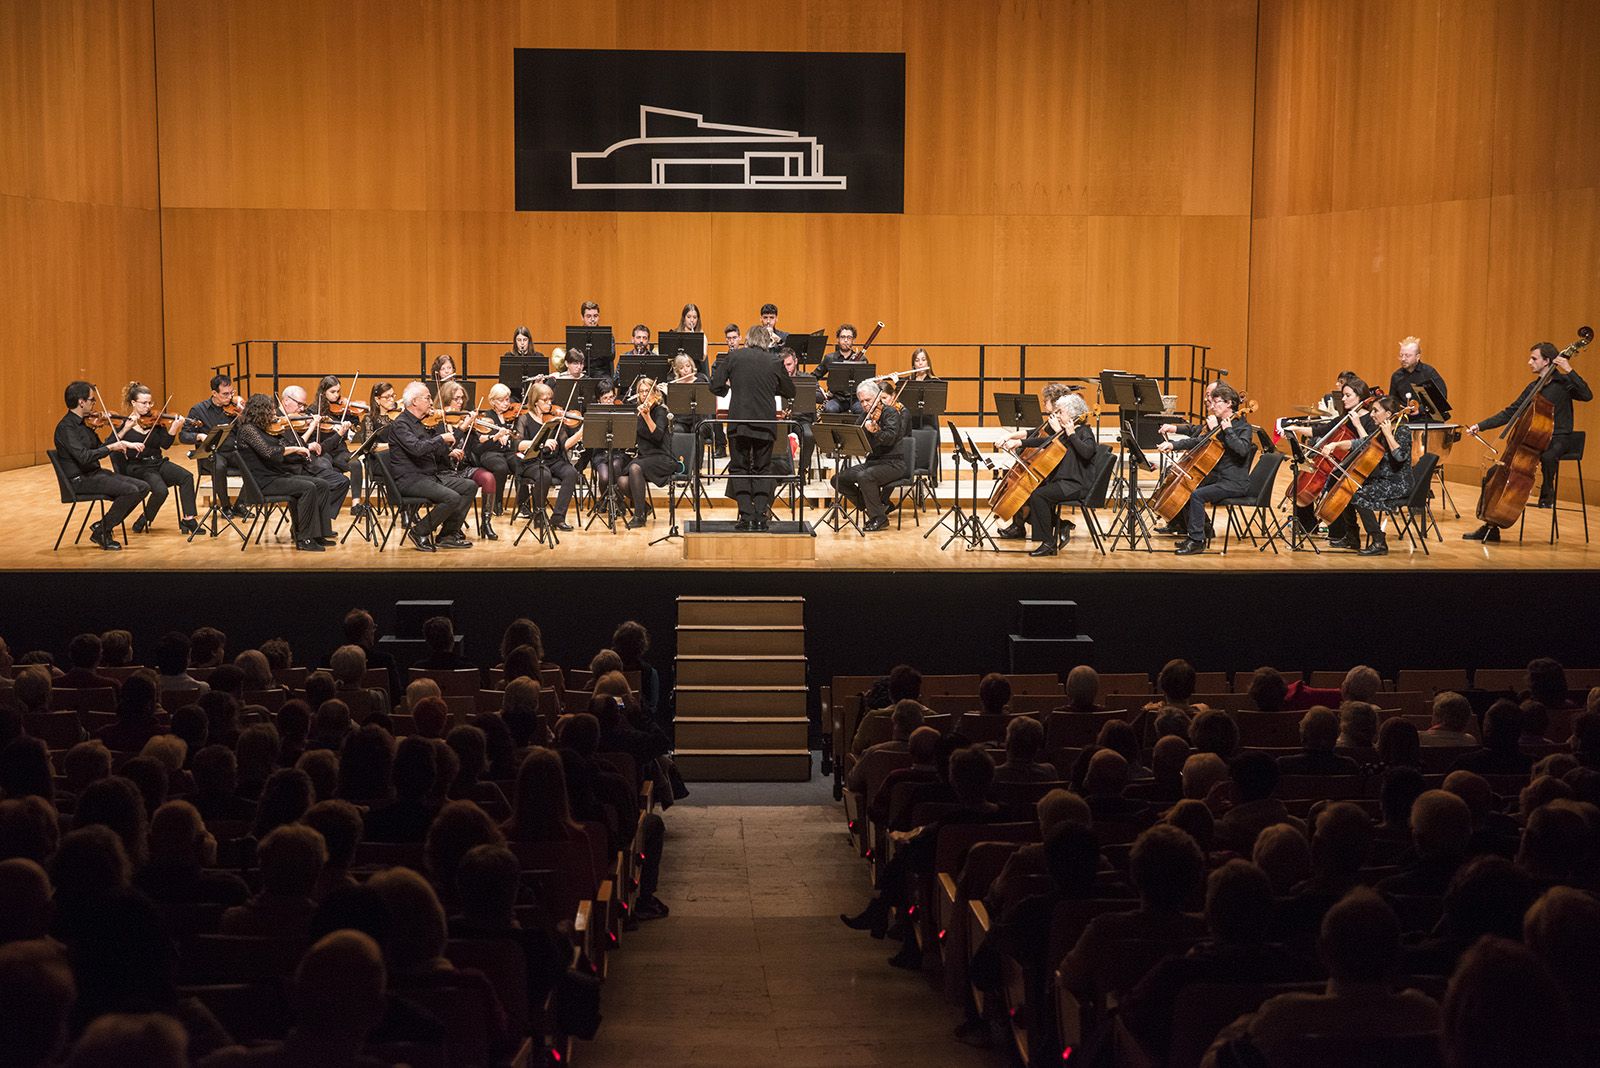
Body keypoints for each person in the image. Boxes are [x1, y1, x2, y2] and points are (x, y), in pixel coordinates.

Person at [1204, 889, 1438, 1067]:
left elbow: (1213, 1064)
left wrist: (1240, 1027)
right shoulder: (1428, 1016)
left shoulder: (1285, 1018)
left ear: (1323, 953)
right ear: (1398, 956)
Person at [1464, 339, 1593, 539]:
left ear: (1547, 361)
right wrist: (1480, 425)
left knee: (1549, 456)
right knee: (1493, 473)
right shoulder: (1533, 387)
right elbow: (1510, 412)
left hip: (1560, 437)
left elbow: (1587, 395)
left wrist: (1569, 368)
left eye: (1534, 358)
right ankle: (1491, 526)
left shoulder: (1564, 384)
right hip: (1535, 441)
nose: (1529, 362)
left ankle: (1547, 492)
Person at [711, 323, 794, 530]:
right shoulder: (775, 361)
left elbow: (715, 385)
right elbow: (790, 391)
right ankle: (760, 516)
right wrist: (771, 387)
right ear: (766, 341)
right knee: (762, 469)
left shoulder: (734, 357)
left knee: (739, 468)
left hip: (738, 422)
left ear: (747, 340)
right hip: (765, 424)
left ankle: (746, 516)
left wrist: (730, 389)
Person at [1157, 382, 1256, 555]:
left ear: (1229, 404)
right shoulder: (1218, 424)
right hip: (1219, 477)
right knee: (1186, 487)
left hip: (1234, 482)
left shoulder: (1242, 427)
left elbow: (1242, 450)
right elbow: (1198, 441)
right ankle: (1195, 532)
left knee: (1197, 494)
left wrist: (1227, 430)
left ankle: (1197, 541)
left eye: (1217, 402)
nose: (1213, 405)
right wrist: (1173, 445)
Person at [996, 391, 1099, 555]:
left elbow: (1086, 453)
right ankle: (1056, 529)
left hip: (1077, 485)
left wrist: (1070, 433)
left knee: (1040, 496)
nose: (1057, 415)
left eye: (1061, 412)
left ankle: (1048, 543)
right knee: (1032, 496)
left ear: (1071, 414)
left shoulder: (1084, 432)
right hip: (1064, 482)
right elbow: (1044, 441)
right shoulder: (1065, 433)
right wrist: (1019, 442)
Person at [53, 380, 148, 550]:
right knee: (131, 490)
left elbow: (101, 447)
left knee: (143, 487)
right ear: (81, 402)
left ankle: (101, 526)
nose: (94, 404)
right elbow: (84, 457)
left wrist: (124, 437)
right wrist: (112, 447)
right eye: (92, 400)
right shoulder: (66, 428)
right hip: (80, 479)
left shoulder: (85, 424)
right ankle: (102, 531)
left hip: (95, 474)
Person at [232, 393, 333, 551]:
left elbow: (282, 443)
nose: (274, 414)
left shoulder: (265, 429)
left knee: (321, 484)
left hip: (276, 476)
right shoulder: (248, 430)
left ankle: (318, 533)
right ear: (259, 411)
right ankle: (304, 538)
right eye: (270, 411)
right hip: (263, 482)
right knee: (308, 488)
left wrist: (298, 443)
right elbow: (269, 452)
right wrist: (295, 449)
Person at [386, 381, 477, 552]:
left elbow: (438, 447)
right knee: (452, 497)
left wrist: (458, 433)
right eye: (427, 397)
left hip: (428, 476)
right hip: (411, 480)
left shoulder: (421, 423)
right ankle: (419, 531)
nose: (431, 401)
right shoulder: (401, 424)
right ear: (415, 402)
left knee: (469, 486)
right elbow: (418, 449)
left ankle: (447, 535)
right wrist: (441, 439)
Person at [115, 382, 199, 535]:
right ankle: (145, 519)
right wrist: (126, 429)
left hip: (158, 463)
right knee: (161, 491)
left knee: (186, 477)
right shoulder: (125, 424)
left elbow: (165, 445)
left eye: (150, 402)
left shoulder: (156, 421)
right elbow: (112, 443)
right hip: (139, 467)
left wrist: (174, 427)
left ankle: (189, 519)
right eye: (144, 403)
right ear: (133, 403)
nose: (148, 406)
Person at [1341, 394, 1414, 556]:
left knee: (1356, 494)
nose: (1371, 414)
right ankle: (1353, 538)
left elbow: (1400, 456)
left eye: (1376, 410)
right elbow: (1362, 443)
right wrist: (1336, 445)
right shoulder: (1379, 430)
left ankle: (1379, 541)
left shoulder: (1402, 430)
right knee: (1347, 488)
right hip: (1383, 481)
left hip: (1399, 484)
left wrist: (1388, 434)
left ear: (1388, 414)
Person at [831, 378, 907, 532]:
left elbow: (890, 438)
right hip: (873, 463)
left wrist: (876, 431)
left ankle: (879, 518)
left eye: (868, 400)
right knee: (838, 479)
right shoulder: (865, 416)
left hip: (893, 463)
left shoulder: (890, 412)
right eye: (862, 401)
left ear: (877, 397)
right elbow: (855, 433)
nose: (865, 404)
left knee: (865, 476)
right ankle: (875, 506)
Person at [278, 385, 351, 524]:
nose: (302, 409)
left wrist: (339, 433)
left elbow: (319, 448)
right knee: (323, 478)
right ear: (286, 400)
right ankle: (314, 523)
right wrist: (310, 430)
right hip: (290, 470)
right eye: (299, 404)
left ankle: (320, 521)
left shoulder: (296, 419)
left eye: (304, 405)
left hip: (304, 465)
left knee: (342, 481)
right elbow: (288, 449)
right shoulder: (278, 422)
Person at [181, 373, 243, 517]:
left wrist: (242, 415)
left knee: (254, 463)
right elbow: (183, 435)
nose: (229, 397)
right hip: (211, 454)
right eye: (225, 394)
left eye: (231, 393)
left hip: (232, 451)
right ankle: (225, 506)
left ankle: (241, 503)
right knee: (219, 465)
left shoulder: (234, 409)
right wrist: (199, 436)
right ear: (214, 393)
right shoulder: (198, 410)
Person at [617, 377, 674, 528]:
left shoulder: (661, 411)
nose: (644, 395)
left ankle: (639, 515)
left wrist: (647, 416)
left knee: (635, 468)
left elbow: (657, 436)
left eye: (647, 391)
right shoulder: (637, 413)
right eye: (641, 392)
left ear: (655, 393)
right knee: (622, 481)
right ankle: (645, 507)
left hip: (662, 457)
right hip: (645, 457)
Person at [309, 375, 367, 517]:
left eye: (338, 391)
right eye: (333, 392)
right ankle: (323, 509)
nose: (337, 395)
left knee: (356, 464)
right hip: (324, 452)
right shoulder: (313, 410)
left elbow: (357, 427)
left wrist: (349, 411)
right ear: (323, 393)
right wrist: (339, 432)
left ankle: (356, 505)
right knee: (327, 467)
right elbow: (321, 444)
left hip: (340, 451)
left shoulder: (343, 408)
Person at [1390, 335, 1449, 419]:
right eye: (1401, 355)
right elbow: (1393, 401)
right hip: (1406, 420)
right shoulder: (1396, 376)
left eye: (1407, 355)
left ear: (1417, 357)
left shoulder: (1429, 372)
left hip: (1429, 420)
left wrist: (1420, 409)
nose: (1403, 359)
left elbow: (1441, 398)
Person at [816, 323, 867, 414]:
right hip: (837, 399)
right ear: (838, 340)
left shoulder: (861, 359)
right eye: (842, 337)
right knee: (830, 409)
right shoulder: (829, 358)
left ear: (853, 340)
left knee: (862, 409)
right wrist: (821, 391)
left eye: (849, 337)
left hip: (856, 399)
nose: (846, 340)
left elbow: (866, 381)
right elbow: (814, 376)